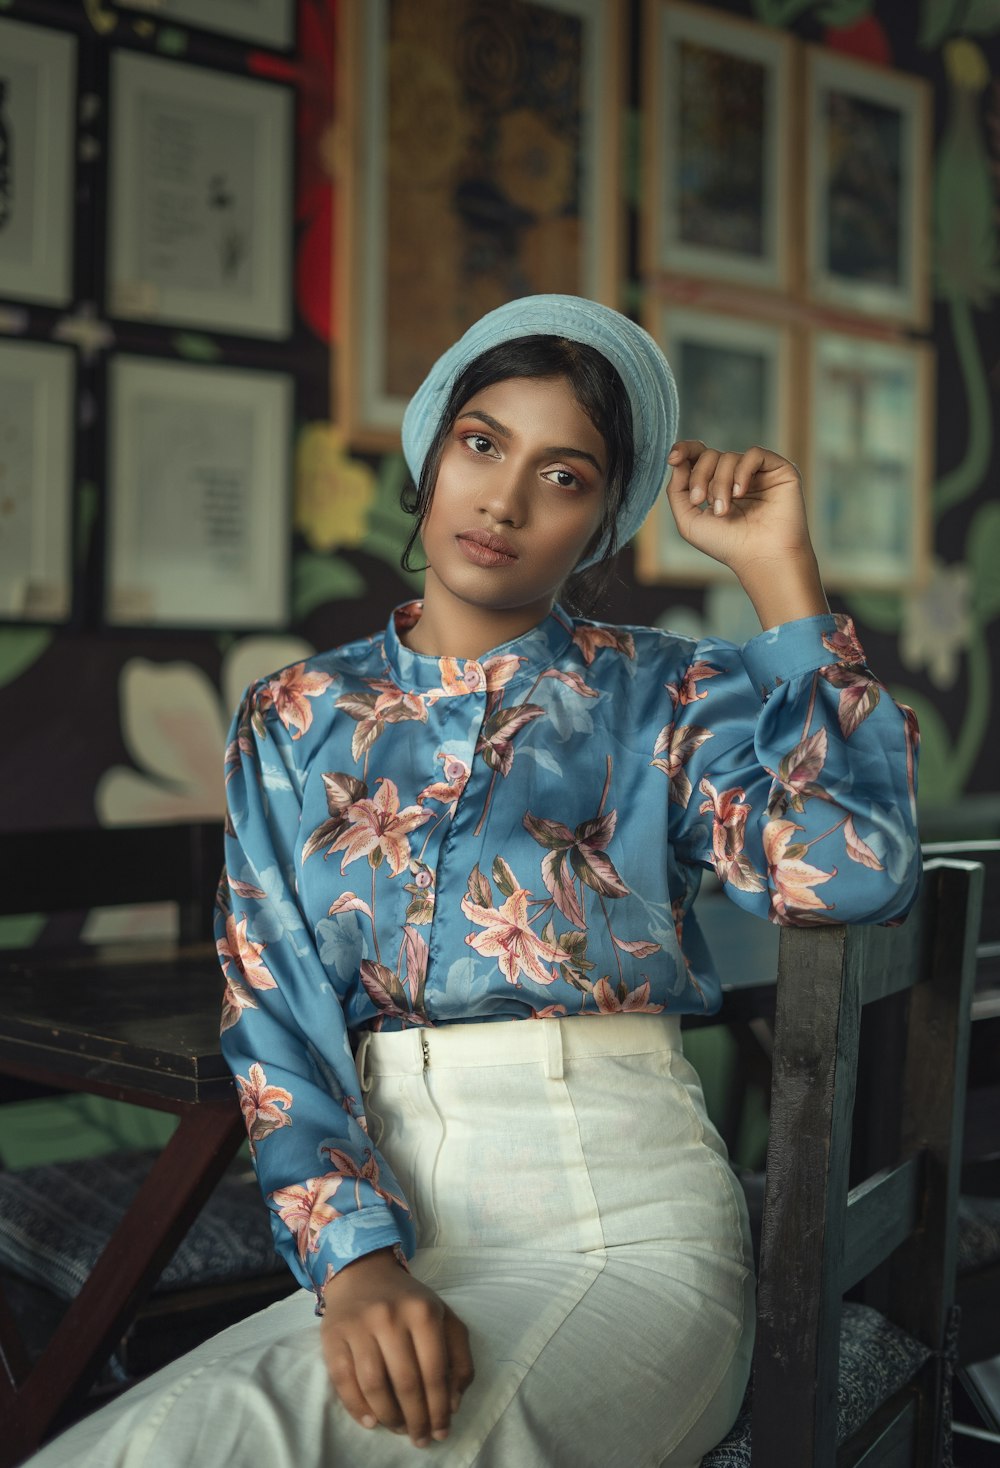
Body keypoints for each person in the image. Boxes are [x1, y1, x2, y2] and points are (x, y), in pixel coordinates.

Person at [29, 295, 920, 1467]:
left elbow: (858, 870)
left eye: (563, 475)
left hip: (621, 1235)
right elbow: (276, 1018)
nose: (502, 500)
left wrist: (782, 579)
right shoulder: (291, 721)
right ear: (433, 452)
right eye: (483, 443)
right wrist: (351, 1261)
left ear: (600, 519)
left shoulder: (671, 700)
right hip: (389, 1242)